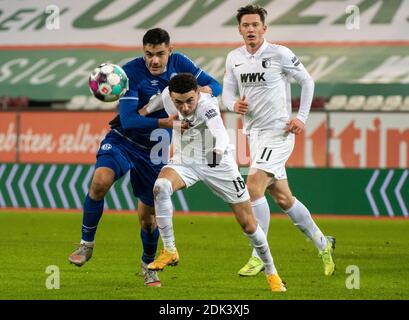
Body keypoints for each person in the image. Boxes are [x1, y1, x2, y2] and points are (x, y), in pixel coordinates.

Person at [68, 28, 222, 287]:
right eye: (149, 54)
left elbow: (215, 86)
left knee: (148, 219)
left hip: (155, 152)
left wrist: (204, 93)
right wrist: (168, 122)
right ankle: (86, 244)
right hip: (124, 141)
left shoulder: (181, 64)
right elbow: (128, 120)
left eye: (160, 54)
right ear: (143, 52)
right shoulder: (129, 73)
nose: (154, 60)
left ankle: (148, 265)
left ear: (169, 51)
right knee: (99, 181)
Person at [144, 73, 286, 292]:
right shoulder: (166, 96)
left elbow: (221, 133)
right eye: (178, 102)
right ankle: (170, 250)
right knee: (160, 186)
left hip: (218, 163)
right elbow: (152, 106)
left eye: (190, 100)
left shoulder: (207, 106)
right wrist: (140, 113)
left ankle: (272, 272)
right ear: (171, 97)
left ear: (198, 94)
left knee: (249, 224)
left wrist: (218, 152)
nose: (184, 107)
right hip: (186, 160)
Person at [222, 5, 335, 277]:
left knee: (252, 187)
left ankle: (258, 255)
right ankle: (323, 243)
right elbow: (227, 92)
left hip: (279, 132)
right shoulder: (234, 58)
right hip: (255, 135)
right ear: (239, 29)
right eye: (245, 25)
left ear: (264, 28)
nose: (250, 29)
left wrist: (302, 118)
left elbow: (307, 82)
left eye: (254, 25)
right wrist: (232, 104)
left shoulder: (279, 53)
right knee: (283, 198)